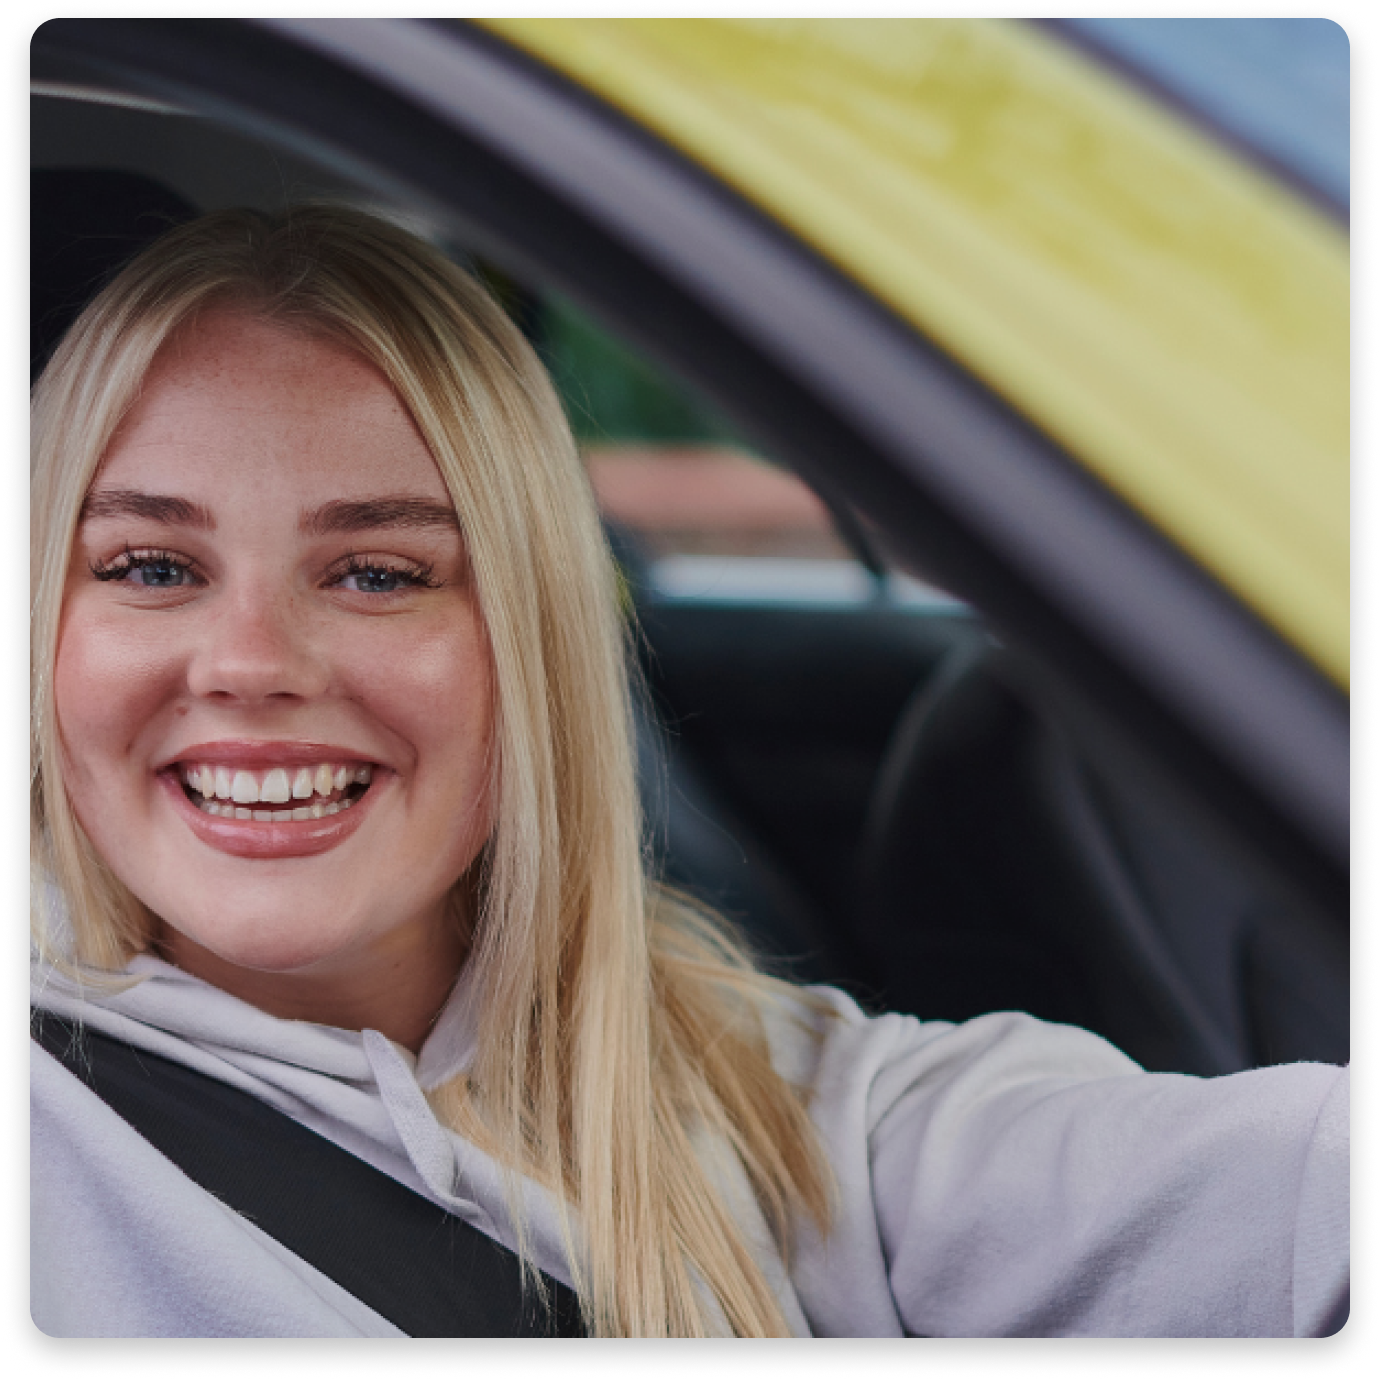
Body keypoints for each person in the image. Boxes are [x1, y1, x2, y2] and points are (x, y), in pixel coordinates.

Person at [29, 206, 1348, 1340]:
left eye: (380, 572)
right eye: (149, 568)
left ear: (534, 645)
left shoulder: (772, 1096)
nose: (251, 664)